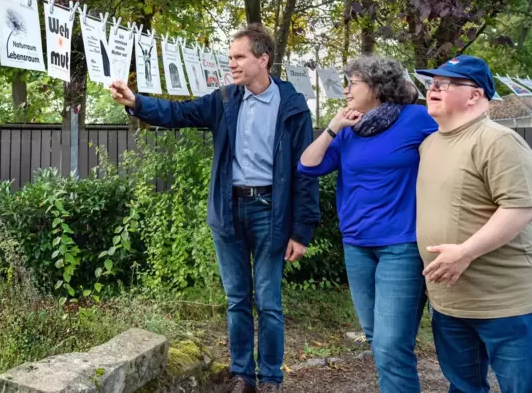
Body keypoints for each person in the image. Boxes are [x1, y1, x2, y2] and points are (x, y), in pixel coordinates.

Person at [109, 23, 320, 393]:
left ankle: (271, 379)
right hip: (228, 211)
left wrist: (302, 231)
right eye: (230, 58)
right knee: (237, 298)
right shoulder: (224, 101)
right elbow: (178, 114)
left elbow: (306, 170)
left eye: (239, 57)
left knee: (268, 302)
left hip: (271, 212)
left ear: (263, 59)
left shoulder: (292, 106)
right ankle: (242, 375)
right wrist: (136, 102)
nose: (232, 65)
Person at [297, 55, 437, 393]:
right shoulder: (350, 128)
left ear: (376, 86)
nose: (345, 90)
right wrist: (334, 125)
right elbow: (307, 165)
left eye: (352, 83)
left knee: (391, 345)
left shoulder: (417, 119)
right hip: (357, 245)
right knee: (377, 339)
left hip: (400, 245)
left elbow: (456, 148)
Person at [415, 55, 532, 393]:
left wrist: (465, 252)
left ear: (475, 95)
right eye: (431, 83)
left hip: (505, 303)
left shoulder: (498, 141)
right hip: (450, 302)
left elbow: (521, 207)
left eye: (444, 84)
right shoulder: (429, 144)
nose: (433, 89)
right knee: (464, 387)